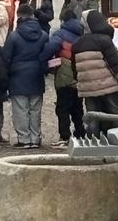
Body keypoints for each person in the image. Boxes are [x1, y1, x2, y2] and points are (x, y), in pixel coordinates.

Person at [71, 10, 118, 133]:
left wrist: (81, 83)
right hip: (108, 86)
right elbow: (115, 65)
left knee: (93, 117)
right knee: (116, 114)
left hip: (88, 89)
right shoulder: (104, 40)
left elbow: (75, 69)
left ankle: (93, 142)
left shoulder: (76, 44)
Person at [3, 4, 49, 149]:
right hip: (36, 75)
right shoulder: (43, 35)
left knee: (20, 109)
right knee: (35, 109)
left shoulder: (14, 36)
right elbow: (47, 55)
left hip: (17, 76)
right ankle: (35, 138)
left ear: (19, 16)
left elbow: (6, 57)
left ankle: (24, 138)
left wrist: (7, 74)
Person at [42, 9, 85, 147]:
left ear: (63, 21)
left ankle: (65, 136)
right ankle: (81, 134)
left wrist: (43, 62)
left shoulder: (60, 34)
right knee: (78, 107)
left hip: (64, 73)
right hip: (79, 73)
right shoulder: (82, 33)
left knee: (63, 107)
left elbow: (51, 48)